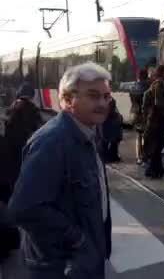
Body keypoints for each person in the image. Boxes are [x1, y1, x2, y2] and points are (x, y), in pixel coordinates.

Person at [8, 62, 112, 279]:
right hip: (60, 266)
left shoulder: (88, 133)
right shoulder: (53, 141)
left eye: (106, 96)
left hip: (82, 260)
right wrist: (78, 240)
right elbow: (23, 208)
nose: (102, 103)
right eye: (93, 96)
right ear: (67, 100)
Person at [0, 83, 43, 260]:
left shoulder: (11, 109)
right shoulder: (32, 110)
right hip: (23, 155)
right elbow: (39, 131)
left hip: (9, 156)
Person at [143, 65, 164, 179]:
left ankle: (157, 168)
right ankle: (152, 169)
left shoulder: (157, 83)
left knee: (157, 144)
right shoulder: (159, 84)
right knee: (157, 144)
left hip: (155, 119)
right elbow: (159, 103)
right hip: (157, 120)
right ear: (163, 73)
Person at [129, 69, 150, 165]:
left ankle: (138, 157)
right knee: (146, 136)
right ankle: (144, 156)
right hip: (144, 113)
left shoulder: (133, 86)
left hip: (134, 112)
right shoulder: (147, 86)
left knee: (138, 135)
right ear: (146, 76)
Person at [101, 95, 123, 163]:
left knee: (106, 141)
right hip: (111, 122)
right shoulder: (110, 99)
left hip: (109, 122)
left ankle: (108, 157)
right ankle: (112, 157)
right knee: (111, 141)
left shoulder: (106, 100)